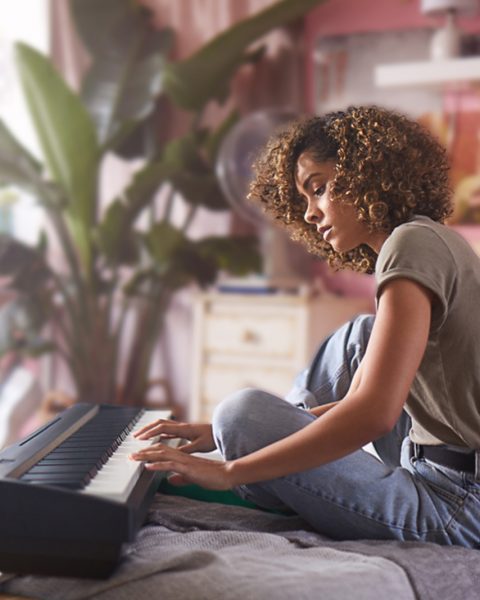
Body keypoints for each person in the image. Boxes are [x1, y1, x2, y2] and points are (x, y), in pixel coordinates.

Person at [131, 105, 480, 547]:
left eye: (318, 189)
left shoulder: (410, 245)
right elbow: (365, 401)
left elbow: (374, 413)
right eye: (304, 200)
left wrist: (229, 469)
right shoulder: (428, 238)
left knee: (241, 413)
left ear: (364, 174)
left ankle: (255, 480)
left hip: (459, 504)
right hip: (437, 462)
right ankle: (260, 460)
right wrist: (218, 436)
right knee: (361, 337)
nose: (311, 214)